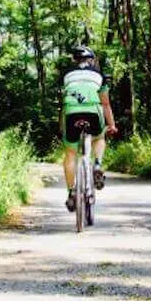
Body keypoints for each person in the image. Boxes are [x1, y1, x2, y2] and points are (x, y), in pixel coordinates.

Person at [60, 45, 117, 212]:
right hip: (93, 112)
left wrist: (62, 127)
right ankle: (97, 164)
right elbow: (106, 104)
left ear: (74, 60)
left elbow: (63, 104)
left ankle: (71, 193)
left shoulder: (66, 75)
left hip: (71, 113)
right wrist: (112, 125)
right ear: (91, 60)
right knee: (99, 137)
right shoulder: (98, 75)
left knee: (70, 154)